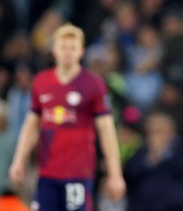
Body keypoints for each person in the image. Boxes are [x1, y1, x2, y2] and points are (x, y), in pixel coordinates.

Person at [9, 23, 126, 211]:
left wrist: (115, 173)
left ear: (81, 51)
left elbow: (106, 130)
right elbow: (32, 125)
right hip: (47, 171)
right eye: (63, 47)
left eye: (73, 48)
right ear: (54, 50)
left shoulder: (92, 84)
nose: (67, 52)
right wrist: (19, 160)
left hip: (78, 172)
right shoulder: (42, 82)